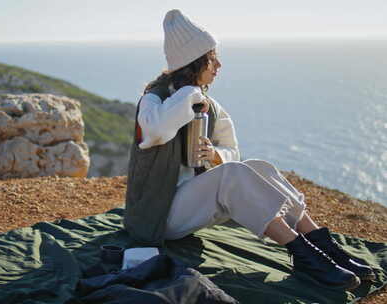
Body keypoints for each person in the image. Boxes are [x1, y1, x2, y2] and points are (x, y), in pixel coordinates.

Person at [123, 9, 374, 291]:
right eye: (212, 58)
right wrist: (189, 93)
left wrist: (216, 155)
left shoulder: (211, 107)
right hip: (158, 215)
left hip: (194, 206)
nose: (219, 65)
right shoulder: (155, 99)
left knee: (259, 167)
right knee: (230, 175)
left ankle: (326, 250)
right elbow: (154, 133)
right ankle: (303, 256)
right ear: (194, 63)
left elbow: (232, 152)